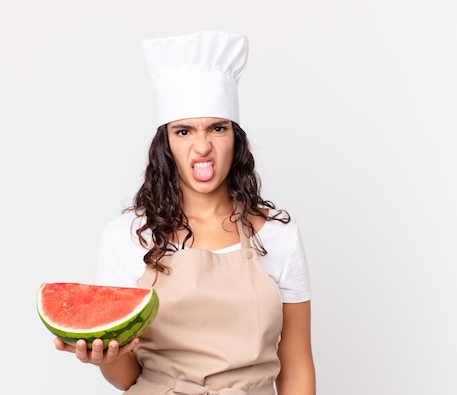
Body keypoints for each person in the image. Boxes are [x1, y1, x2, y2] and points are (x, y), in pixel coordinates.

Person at [54, 30, 316, 395]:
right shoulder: (126, 237)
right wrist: (107, 357)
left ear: (235, 139)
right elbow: (127, 377)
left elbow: (297, 366)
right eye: (184, 131)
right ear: (166, 144)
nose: (203, 146)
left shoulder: (277, 235)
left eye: (217, 128)